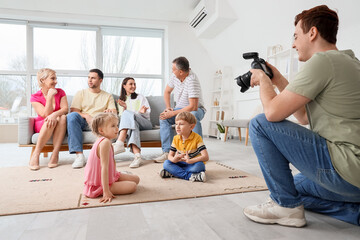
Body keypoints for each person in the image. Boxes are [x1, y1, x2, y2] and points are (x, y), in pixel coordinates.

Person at [243, 5, 360, 227]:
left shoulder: (323, 61)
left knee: (259, 124)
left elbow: (272, 113)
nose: (293, 43)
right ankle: (354, 212)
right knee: (291, 187)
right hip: (355, 179)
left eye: (296, 36)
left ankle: (285, 208)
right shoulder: (349, 62)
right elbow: (304, 117)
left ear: (313, 33)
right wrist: (277, 79)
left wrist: (263, 81)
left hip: (346, 169)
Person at [154, 56, 206, 163]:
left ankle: (198, 153)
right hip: (180, 108)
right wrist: (168, 108)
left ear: (181, 72)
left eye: (174, 69)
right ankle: (167, 152)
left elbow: (193, 107)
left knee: (193, 115)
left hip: (197, 109)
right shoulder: (175, 77)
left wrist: (173, 113)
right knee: (164, 117)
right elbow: (167, 92)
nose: (172, 72)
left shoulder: (192, 80)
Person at [84, 113, 140, 203]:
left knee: (136, 179)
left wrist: (115, 175)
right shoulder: (104, 142)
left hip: (111, 175)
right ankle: (106, 187)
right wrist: (106, 191)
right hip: (99, 183)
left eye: (117, 125)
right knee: (133, 186)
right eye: (113, 126)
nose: (117, 129)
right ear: (101, 130)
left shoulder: (106, 141)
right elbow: (104, 168)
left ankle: (115, 180)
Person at [67, 69, 116, 169]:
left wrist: (108, 112)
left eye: (93, 78)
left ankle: (102, 156)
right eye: (89, 77)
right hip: (84, 122)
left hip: (99, 123)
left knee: (110, 120)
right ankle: (79, 156)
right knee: (71, 116)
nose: (90, 80)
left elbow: (113, 111)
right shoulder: (81, 93)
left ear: (100, 80)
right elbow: (73, 111)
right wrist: (86, 116)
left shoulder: (107, 96)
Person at [29, 68, 68, 170]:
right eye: (52, 78)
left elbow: (65, 109)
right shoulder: (35, 97)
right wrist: (50, 97)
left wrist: (54, 115)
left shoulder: (60, 92)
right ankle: (36, 153)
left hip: (59, 122)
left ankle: (55, 153)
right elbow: (45, 114)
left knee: (62, 117)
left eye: (56, 78)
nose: (56, 81)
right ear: (42, 80)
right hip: (42, 123)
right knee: (52, 119)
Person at [112, 77, 153, 168]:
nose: (133, 86)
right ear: (124, 86)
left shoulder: (140, 97)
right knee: (133, 126)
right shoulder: (121, 100)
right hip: (135, 124)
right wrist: (125, 107)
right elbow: (123, 120)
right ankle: (138, 157)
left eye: (134, 84)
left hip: (145, 123)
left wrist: (141, 112)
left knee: (129, 116)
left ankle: (120, 142)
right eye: (131, 84)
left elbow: (147, 113)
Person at [159, 112, 209, 182]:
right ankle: (190, 176)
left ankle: (174, 173)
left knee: (200, 166)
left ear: (191, 127)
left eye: (181, 124)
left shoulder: (197, 138)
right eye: (176, 124)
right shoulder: (175, 138)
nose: (177, 127)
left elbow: (206, 157)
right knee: (166, 163)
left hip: (193, 164)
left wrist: (190, 161)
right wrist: (174, 159)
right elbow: (170, 155)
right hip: (180, 163)